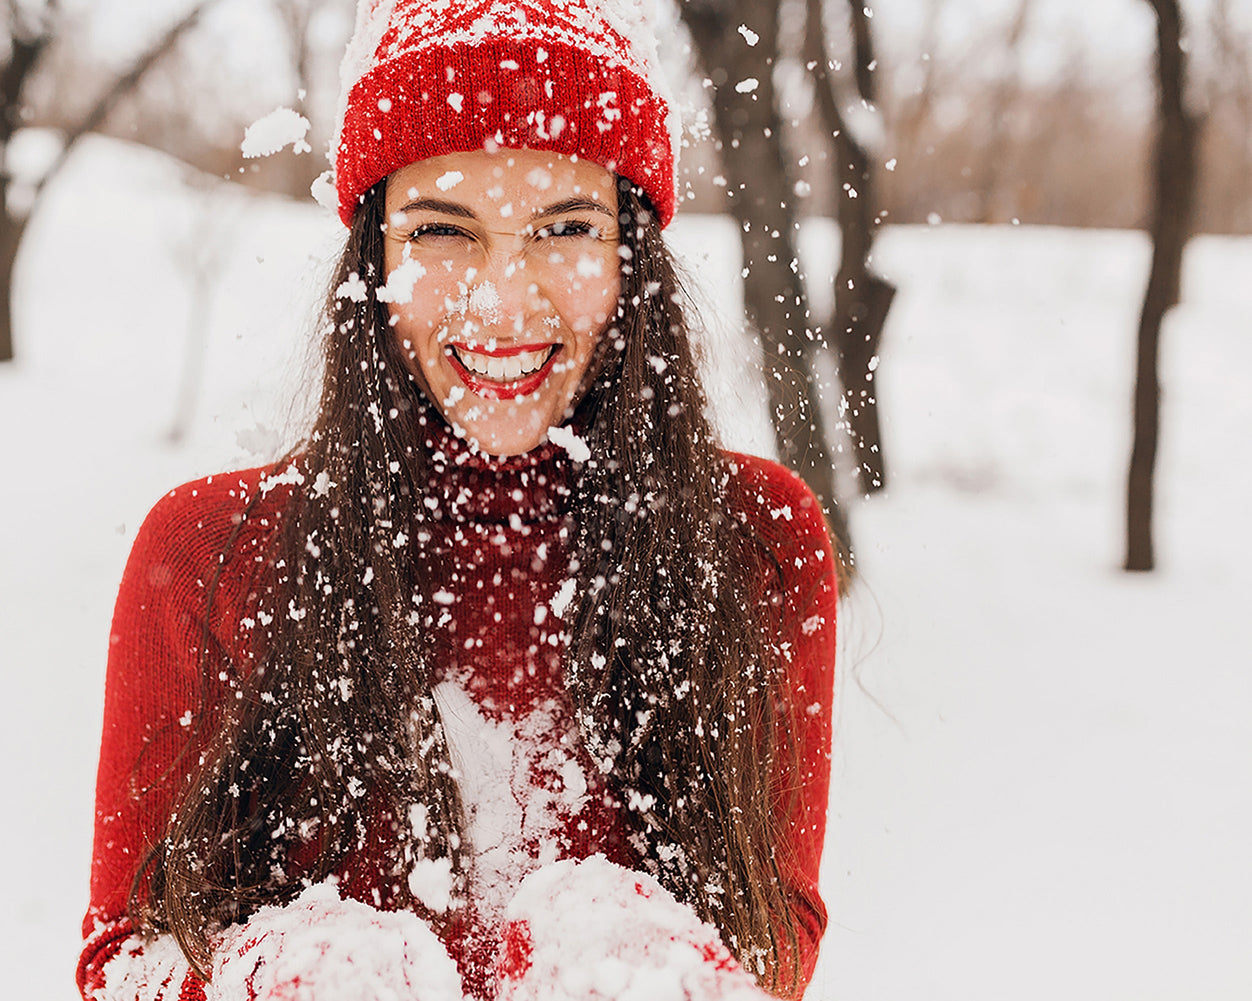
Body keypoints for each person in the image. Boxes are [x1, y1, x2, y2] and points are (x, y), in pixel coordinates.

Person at [77, 1, 837, 999]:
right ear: (375, 254)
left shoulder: (755, 540)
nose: (503, 299)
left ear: (632, 256)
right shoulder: (211, 551)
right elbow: (125, 953)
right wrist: (287, 980)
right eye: (443, 229)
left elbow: (776, 926)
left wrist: (646, 972)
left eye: (566, 226)